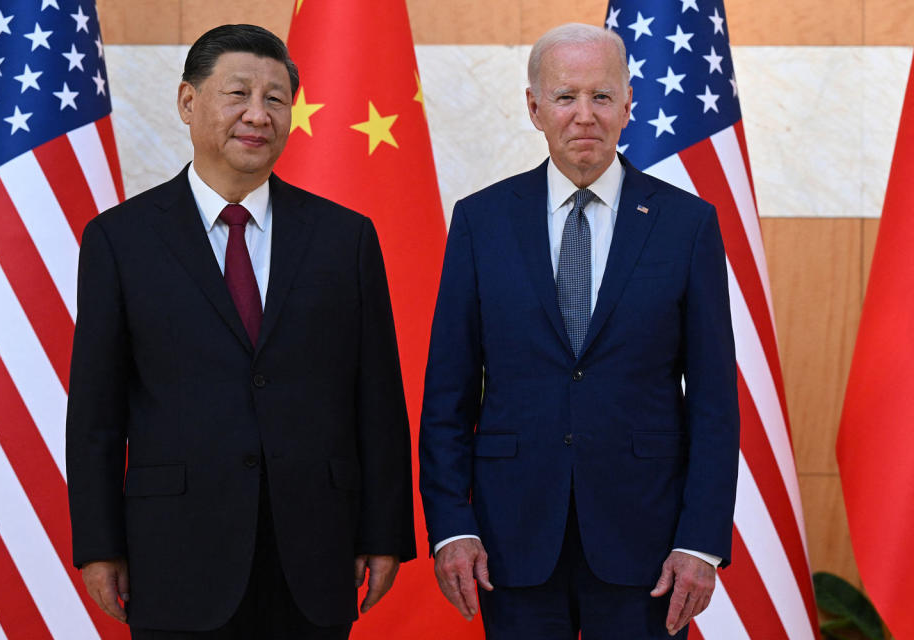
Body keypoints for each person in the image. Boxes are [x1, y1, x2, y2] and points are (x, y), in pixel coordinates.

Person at [66, 24, 415, 639]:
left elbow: (378, 399)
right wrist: (99, 545)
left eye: (276, 99)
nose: (258, 115)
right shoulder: (120, 240)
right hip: (174, 554)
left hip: (314, 552)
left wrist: (383, 532)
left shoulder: (345, 238)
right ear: (187, 102)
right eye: (238, 94)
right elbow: (96, 411)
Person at [419, 23, 740, 639]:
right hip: (510, 540)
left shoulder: (687, 225)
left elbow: (713, 402)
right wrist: (453, 526)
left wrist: (701, 542)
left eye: (601, 96)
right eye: (566, 97)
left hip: (647, 543)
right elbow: (447, 397)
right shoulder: (481, 221)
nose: (584, 115)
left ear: (628, 105)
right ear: (535, 108)